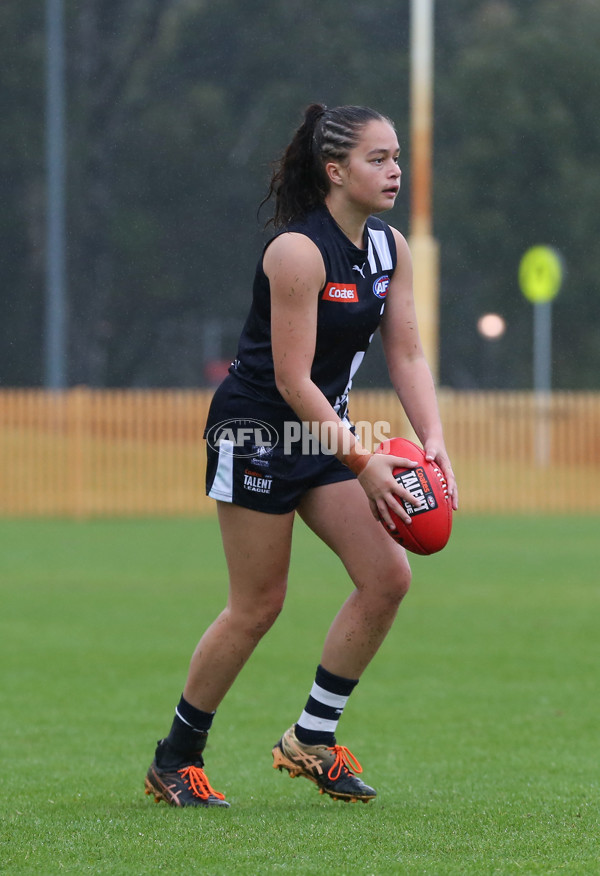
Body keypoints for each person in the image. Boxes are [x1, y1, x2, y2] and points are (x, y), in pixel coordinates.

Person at [144, 103, 458, 808]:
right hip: (258, 431)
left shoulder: (389, 250)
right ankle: (175, 758)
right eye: (378, 159)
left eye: (396, 157)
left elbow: (406, 351)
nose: (395, 171)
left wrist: (432, 437)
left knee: (387, 577)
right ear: (335, 169)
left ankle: (311, 738)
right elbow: (291, 380)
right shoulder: (297, 252)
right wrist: (364, 461)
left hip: (322, 432)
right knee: (258, 605)